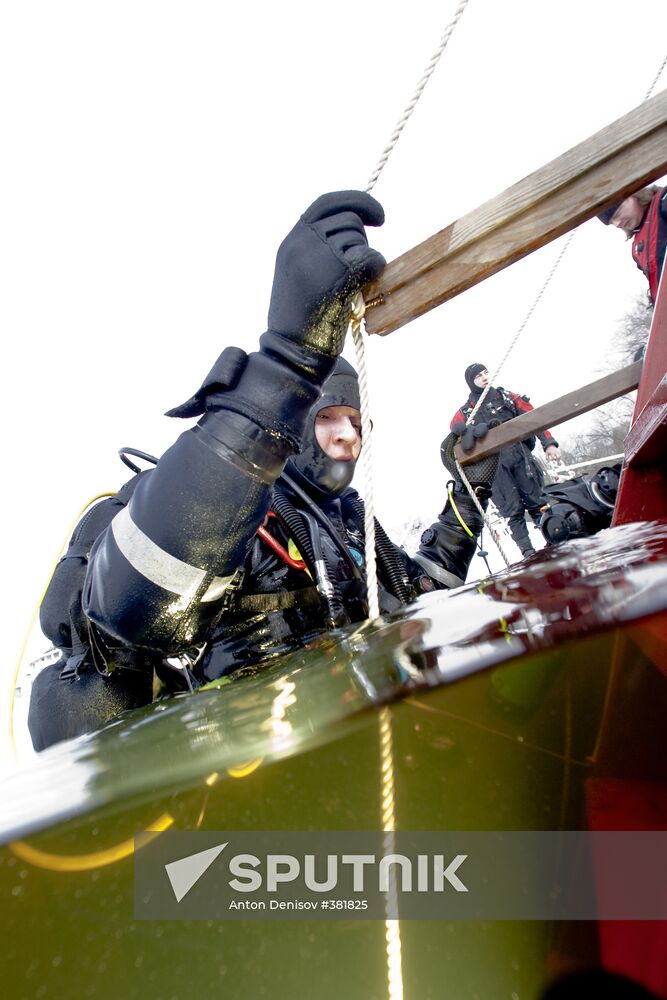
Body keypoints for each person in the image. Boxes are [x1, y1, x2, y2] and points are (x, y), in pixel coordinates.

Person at [29, 191, 497, 751]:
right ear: (294, 420)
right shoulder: (225, 511)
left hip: (379, 743)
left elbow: (420, 591)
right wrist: (285, 367)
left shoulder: (347, 519)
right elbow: (134, 608)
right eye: (327, 417)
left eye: (357, 420)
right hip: (266, 777)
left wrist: (475, 485)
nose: (348, 434)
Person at [450, 364, 561, 559]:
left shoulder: (508, 397)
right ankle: (528, 553)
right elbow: (453, 441)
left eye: (486, 372)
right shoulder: (466, 412)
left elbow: (534, 418)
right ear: (470, 381)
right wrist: (463, 436)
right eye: (478, 376)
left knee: (538, 503)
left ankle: (555, 540)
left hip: (521, 458)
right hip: (496, 470)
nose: (484, 377)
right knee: (513, 511)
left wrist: (549, 443)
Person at [598, 184, 667, 307]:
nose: (617, 223)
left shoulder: (664, 201)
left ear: (634, 195)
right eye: (612, 222)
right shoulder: (637, 249)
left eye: (617, 213)